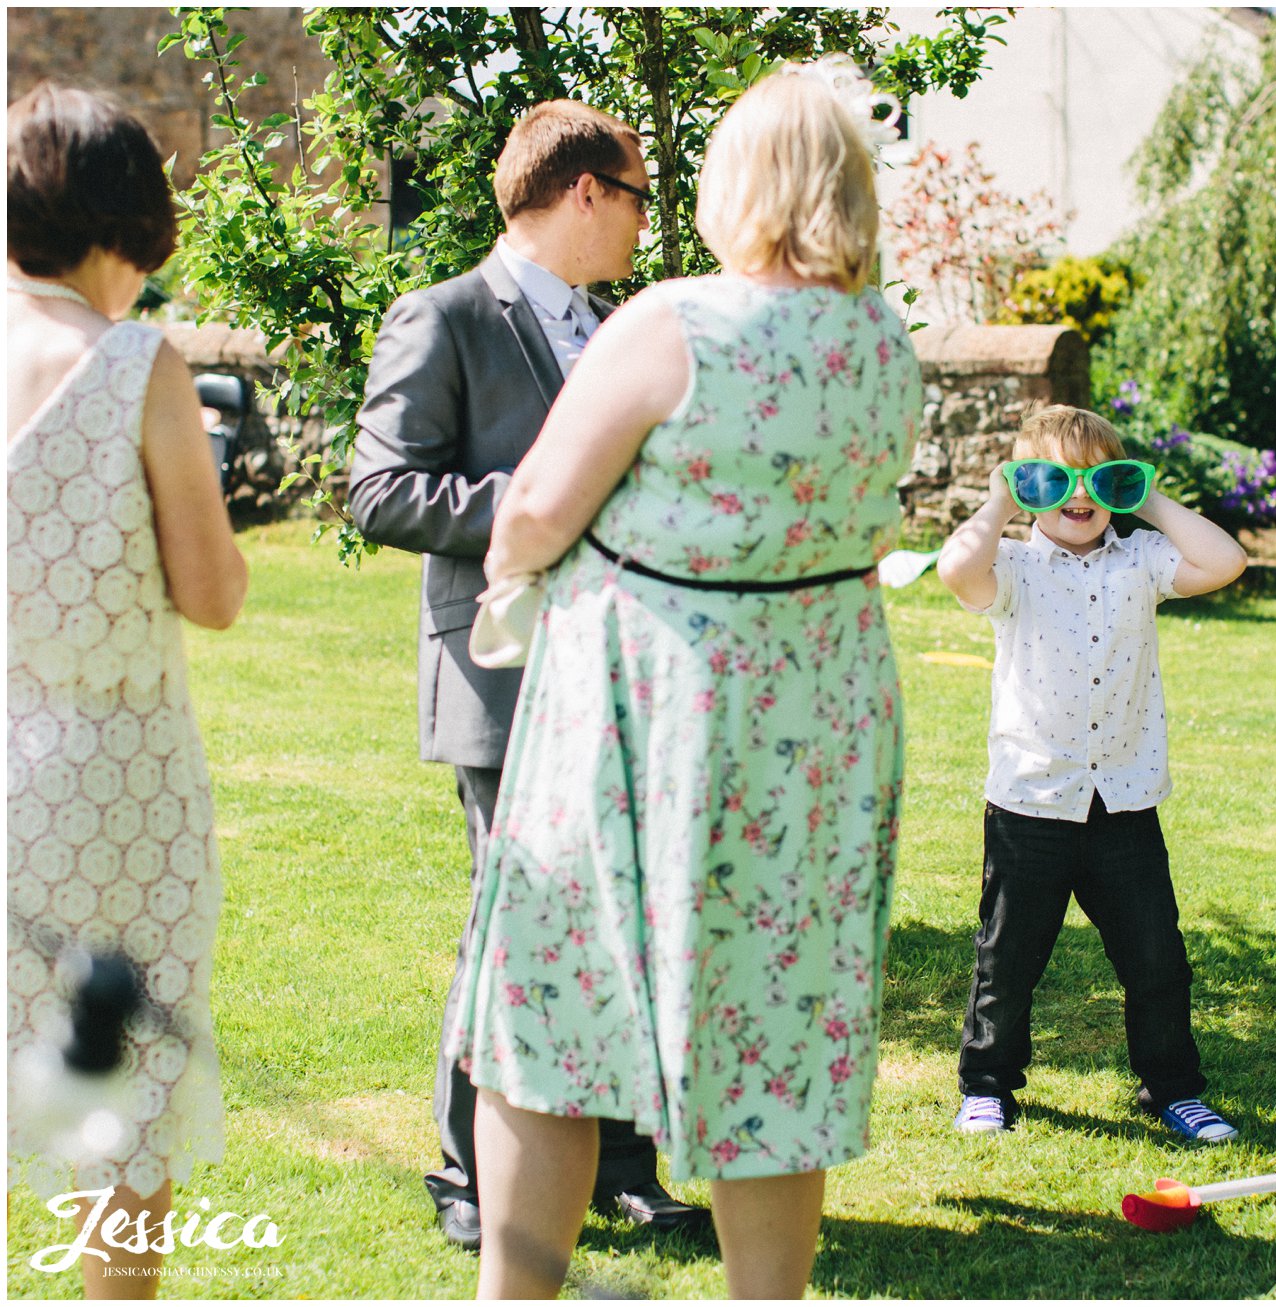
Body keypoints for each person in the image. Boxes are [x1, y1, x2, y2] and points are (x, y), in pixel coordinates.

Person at [447, 58, 918, 1300]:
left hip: (649, 710)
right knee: (776, 1032)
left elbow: (538, 505)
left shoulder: (675, 321)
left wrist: (518, 565)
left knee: (547, 1022)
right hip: (816, 719)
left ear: (736, 183)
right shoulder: (883, 338)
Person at [348, 99, 702, 1250]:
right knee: (514, 925)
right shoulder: (443, 315)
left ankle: (623, 1165)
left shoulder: (623, 328)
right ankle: (466, 1170)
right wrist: (545, 505)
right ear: (588, 190)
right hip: (503, 672)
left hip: (627, 672)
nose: (649, 225)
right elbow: (380, 489)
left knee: (629, 920)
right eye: (643, 196)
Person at [7, 81, 249, 1299]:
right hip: (117, 781)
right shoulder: (136, 366)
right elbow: (212, 591)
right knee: (130, 1083)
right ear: (125, 218)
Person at [935, 405, 1248, 1143]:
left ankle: (1173, 1087)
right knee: (1007, 960)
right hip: (1031, 801)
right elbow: (955, 569)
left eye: (1099, 480)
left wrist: (1146, 497)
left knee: (1157, 958)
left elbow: (1226, 561)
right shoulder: (1010, 566)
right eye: (1053, 479)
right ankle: (987, 1086)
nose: (1080, 497)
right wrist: (1002, 500)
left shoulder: (1141, 559)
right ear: (1026, 487)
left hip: (1125, 801)